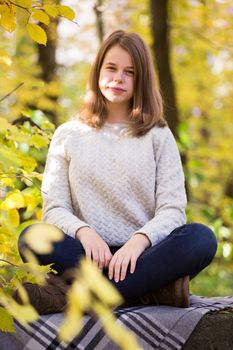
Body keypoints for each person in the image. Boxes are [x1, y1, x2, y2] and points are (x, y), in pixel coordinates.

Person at [17, 29, 217, 314]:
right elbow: (55, 208)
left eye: (130, 72)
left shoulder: (158, 135)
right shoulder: (68, 134)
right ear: (98, 70)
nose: (118, 78)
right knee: (31, 235)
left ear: (141, 80)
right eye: (111, 68)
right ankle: (149, 292)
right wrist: (85, 233)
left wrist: (138, 243)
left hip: (144, 257)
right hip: (85, 255)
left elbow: (173, 210)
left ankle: (77, 295)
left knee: (201, 238)